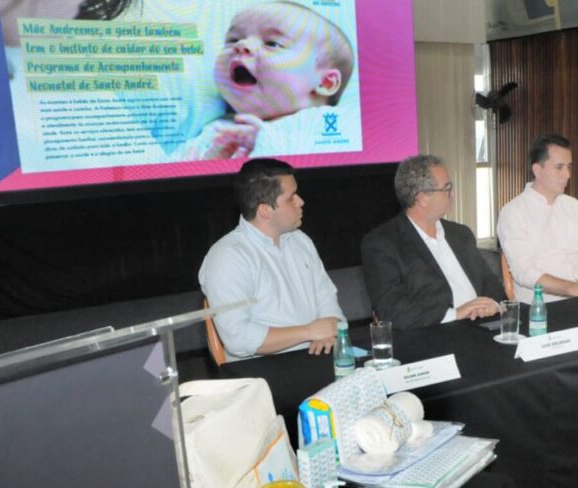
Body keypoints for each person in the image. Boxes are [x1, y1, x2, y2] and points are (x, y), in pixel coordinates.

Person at [199, 158, 343, 361]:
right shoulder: (227, 257)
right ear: (265, 210)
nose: (300, 201)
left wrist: (329, 329)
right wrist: (309, 332)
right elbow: (238, 338)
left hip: (316, 356)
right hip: (263, 374)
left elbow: (326, 297)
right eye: (291, 197)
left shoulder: (300, 241)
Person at [180, 1, 356, 160]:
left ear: (325, 83)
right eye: (233, 39)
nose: (242, 45)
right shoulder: (217, 129)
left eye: (272, 43)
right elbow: (178, 165)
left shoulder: (325, 124)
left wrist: (265, 141)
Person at [360, 155, 503, 330]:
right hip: (432, 337)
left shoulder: (460, 234)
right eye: (447, 188)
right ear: (422, 198)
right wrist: (456, 313)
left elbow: (492, 284)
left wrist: (493, 304)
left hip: (482, 328)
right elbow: (394, 312)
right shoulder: (382, 244)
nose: (452, 194)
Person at [496, 134, 578, 304]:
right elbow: (524, 272)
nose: (567, 174)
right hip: (542, 306)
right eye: (559, 167)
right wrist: (575, 288)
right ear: (537, 170)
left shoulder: (572, 205)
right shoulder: (514, 212)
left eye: (569, 167)